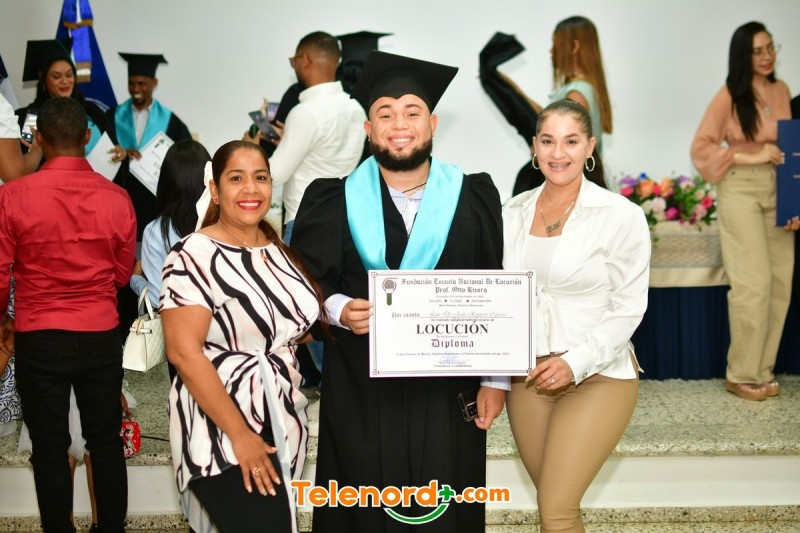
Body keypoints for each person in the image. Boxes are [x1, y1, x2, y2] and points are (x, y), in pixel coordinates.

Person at [291, 51, 506, 533]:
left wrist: (496, 381)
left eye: (412, 112)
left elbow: (493, 283)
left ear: (432, 124)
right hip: (361, 385)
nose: (399, 125)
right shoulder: (332, 198)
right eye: (385, 114)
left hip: (448, 387)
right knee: (362, 511)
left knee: (444, 510)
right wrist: (339, 308)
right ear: (369, 129)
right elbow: (303, 282)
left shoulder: (473, 196)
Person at [160, 140, 325, 533]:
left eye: (260, 177)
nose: (251, 189)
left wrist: (347, 318)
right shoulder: (193, 254)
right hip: (220, 425)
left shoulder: (276, 249)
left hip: (281, 415)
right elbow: (183, 352)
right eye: (236, 178)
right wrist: (240, 436)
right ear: (215, 189)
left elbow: (281, 329)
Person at [502, 99, 649, 533]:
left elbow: (628, 308)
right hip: (528, 379)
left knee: (557, 508)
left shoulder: (621, 216)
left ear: (590, 148)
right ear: (534, 146)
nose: (558, 153)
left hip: (598, 375)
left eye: (570, 141)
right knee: (555, 505)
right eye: (548, 141)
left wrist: (574, 362)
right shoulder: (510, 212)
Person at [0, 96, 136, 533]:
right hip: (99, 332)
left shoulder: (12, 196)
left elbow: (1, 271)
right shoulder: (118, 198)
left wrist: (3, 320)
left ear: (38, 139)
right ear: (88, 137)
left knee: (49, 445)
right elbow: (121, 275)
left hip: (39, 334)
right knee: (105, 441)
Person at [691, 21, 800, 401]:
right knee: (752, 285)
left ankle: (763, 370)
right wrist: (747, 154)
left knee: (780, 284)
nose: (767, 56)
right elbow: (701, 148)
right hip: (741, 189)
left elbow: (792, 149)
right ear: (743, 55)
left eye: (770, 48)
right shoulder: (730, 95)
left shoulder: (782, 90)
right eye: (757, 51)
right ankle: (741, 373)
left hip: (779, 189)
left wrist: (795, 201)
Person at [244, 31, 366, 243]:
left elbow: (273, 175)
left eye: (294, 61)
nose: (294, 66)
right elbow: (325, 152)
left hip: (306, 222)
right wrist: (289, 141)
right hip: (343, 221)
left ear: (305, 60)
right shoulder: (355, 108)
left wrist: (249, 149)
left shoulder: (305, 112)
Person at [499, 16, 613, 194]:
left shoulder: (576, 94)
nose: (551, 51)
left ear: (574, 46)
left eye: (556, 44)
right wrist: (506, 84)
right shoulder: (583, 88)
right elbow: (542, 114)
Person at [106, 52, 192, 240]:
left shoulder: (171, 122)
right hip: (121, 197)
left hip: (155, 202)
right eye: (131, 83)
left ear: (154, 83)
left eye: (141, 83)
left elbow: (186, 157)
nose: (135, 89)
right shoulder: (111, 117)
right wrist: (122, 152)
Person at [14, 39, 125, 169]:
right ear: (43, 79)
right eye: (57, 76)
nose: (65, 81)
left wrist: (120, 152)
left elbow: (114, 145)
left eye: (69, 75)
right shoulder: (32, 117)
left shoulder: (93, 111)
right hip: (52, 180)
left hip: (96, 179)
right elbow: (27, 160)